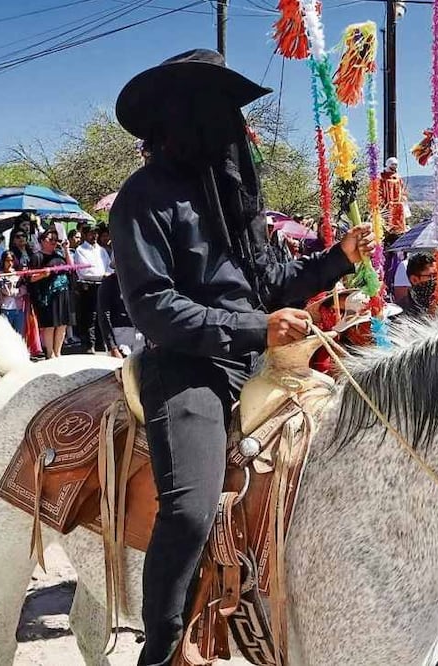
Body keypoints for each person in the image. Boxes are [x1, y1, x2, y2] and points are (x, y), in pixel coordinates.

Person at [109, 48, 373, 665]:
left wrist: (339, 257)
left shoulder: (232, 197)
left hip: (253, 357)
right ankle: (162, 646)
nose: (236, 128)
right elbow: (155, 309)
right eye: (220, 110)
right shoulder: (141, 199)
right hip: (185, 368)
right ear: (185, 115)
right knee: (192, 507)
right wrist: (258, 328)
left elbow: (277, 280)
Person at [30, 228, 72, 358]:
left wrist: (66, 250)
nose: (54, 242)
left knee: (62, 324)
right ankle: (50, 353)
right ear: (42, 240)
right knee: (50, 324)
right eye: (50, 239)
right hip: (47, 295)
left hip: (63, 293)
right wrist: (43, 274)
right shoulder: (37, 256)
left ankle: (58, 352)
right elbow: (30, 278)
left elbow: (71, 267)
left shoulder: (59, 255)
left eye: (56, 239)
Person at [72, 223, 113, 352]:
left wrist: (106, 274)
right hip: (88, 285)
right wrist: (100, 274)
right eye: (91, 233)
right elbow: (84, 271)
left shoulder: (101, 250)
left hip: (102, 283)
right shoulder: (80, 250)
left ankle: (101, 343)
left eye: (95, 233)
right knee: (90, 316)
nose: (94, 236)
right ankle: (90, 344)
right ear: (85, 234)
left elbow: (108, 265)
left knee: (102, 314)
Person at [97, 266, 144, 358]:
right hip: (120, 333)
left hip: (140, 332)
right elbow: (104, 316)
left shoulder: (141, 281)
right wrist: (112, 346)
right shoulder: (108, 283)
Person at [0, 251, 27, 337]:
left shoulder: (19, 275)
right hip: (5, 309)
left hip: (18, 310)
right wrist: (15, 289)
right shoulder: (0, 275)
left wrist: (14, 290)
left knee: (19, 335)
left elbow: (24, 289)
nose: (10, 263)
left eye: (12, 260)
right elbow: (5, 291)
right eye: (7, 260)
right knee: (5, 335)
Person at [379, 157, 408, 233]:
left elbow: (402, 190)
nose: (394, 166)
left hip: (397, 205)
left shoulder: (398, 177)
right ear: (388, 165)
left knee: (398, 223)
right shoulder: (382, 177)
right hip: (386, 204)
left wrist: (403, 198)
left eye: (396, 165)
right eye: (393, 164)